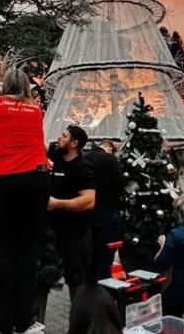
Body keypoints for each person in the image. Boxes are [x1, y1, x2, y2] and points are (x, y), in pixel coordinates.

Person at [0, 68, 50, 334]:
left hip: (2, 180)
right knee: (28, 250)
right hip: (36, 179)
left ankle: (3, 324)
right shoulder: (35, 110)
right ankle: (25, 321)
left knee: (4, 250)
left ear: (4, 85)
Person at [48, 125, 96, 299]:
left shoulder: (83, 167)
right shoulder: (58, 156)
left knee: (76, 282)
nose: (59, 138)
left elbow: (89, 201)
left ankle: (79, 321)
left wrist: (57, 203)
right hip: (54, 232)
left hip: (75, 235)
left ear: (74, 143)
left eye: (64, 136)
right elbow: (38, 144)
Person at [86, 140, 124, 281]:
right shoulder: (110, 159)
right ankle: (103, 282)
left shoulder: (85, 157)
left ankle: (89, 281)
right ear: (108, 147)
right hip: (108, 210)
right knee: (105, 251)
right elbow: (119, 182)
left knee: (91, 248)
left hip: (88, 208)